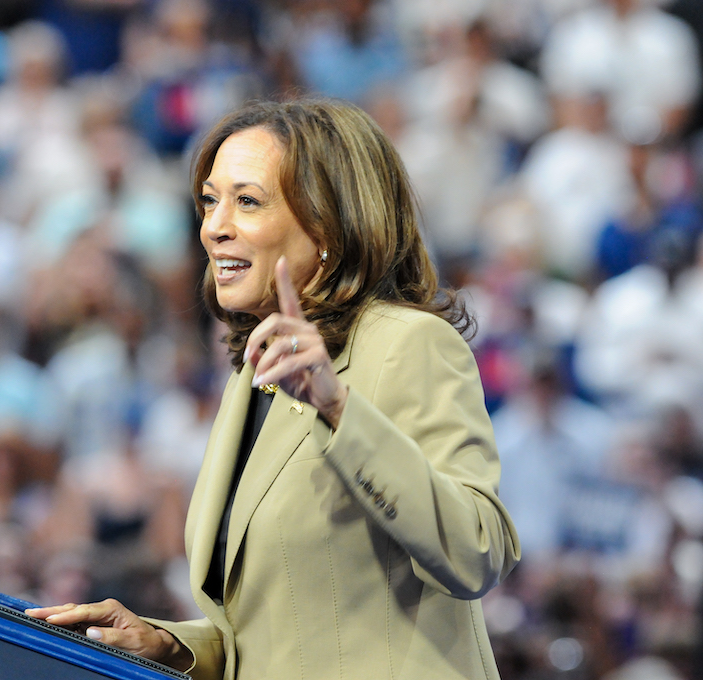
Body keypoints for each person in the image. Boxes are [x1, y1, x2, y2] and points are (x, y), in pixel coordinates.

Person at [27, 98, 521, 680]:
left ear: (328, 223)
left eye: (247, 202)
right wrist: (171, 645)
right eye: (210, 202)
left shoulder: (408, 342)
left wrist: (340, 411)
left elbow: (477, 551)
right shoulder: (251, 375)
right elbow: (272, 630)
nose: (214, 227)